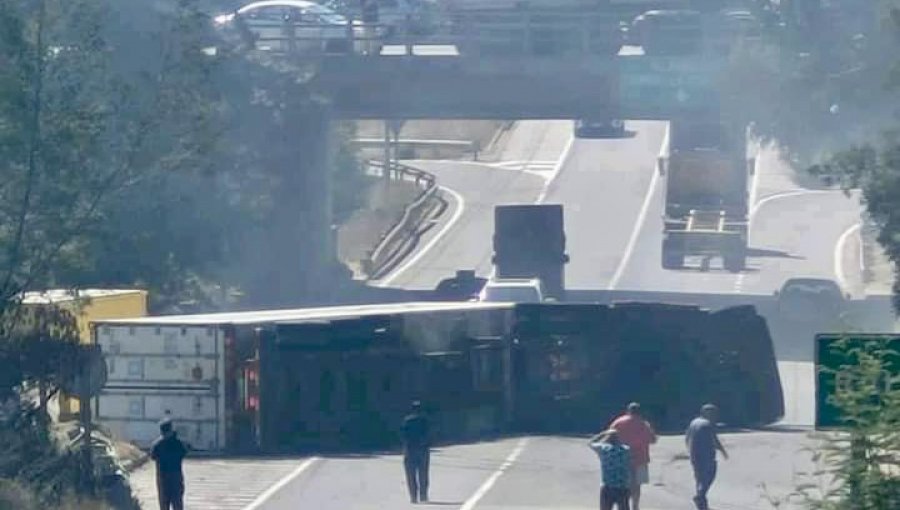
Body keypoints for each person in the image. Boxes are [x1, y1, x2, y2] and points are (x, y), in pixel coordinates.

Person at [610, 402, 657, 510]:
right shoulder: (644, 424)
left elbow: (609, 437)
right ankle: (635, 506)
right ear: (640, 412)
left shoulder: (618, 422)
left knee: (623, 485)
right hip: (640, 459)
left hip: (621, 458)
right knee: (637, 486)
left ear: (628, 411)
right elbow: (653, 439)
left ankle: (622, 505)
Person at [685, 404, 728, 510]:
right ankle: (700, 496)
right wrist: (723, 451)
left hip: (694, 455)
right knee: (710, 475)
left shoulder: (693, 422)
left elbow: (687, 438)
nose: (715, 416)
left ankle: (701, 502)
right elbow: (715, 440)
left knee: (699, 477)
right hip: (706, 456)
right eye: (713, 413)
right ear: (706, 413)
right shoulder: (707, 424)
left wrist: (690, 451)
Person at [588, 429, 632, 510]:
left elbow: (590, 443)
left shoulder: (603, 449)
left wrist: (602, 434)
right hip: (622, 486)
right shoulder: (626, 450)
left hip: (608, 486)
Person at [151, 417, 188, 510]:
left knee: (164, 505)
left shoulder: (158, 445)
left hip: (163, 478)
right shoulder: (178, 443)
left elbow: (153, 456)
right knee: (177, 504)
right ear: (171, 430)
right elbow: (184, 453)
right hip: (175, 477)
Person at [401, 400, 430, 503]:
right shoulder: (425, 420)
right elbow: (429, 434)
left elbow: (403, 436)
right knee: (423, 474)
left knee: (410, 475)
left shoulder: (407, 421)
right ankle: (423, 495)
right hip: (422, 449)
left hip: (410, 450)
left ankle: (413, 496)